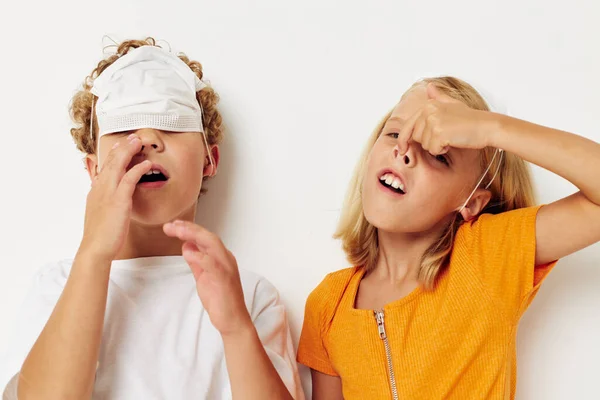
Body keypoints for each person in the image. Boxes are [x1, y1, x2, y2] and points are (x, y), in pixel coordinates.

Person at [1, 37, 303, 400]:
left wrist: (237, 329)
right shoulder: (57, 286)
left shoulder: (248, 296)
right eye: (124, 128)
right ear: (94, 169)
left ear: (210, 160)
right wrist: (94, 254)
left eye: (172, 123)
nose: (146, 139)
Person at [297, 76, 600, 399]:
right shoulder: (329, 303)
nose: (405, 152)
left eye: (439, 155)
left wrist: (490, 130)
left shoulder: (486, 256)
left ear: (471, 201)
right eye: (396, 133)